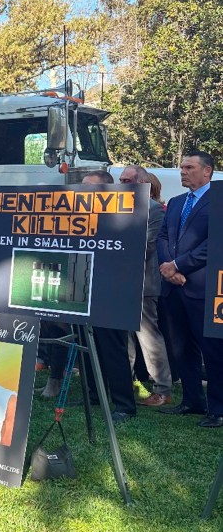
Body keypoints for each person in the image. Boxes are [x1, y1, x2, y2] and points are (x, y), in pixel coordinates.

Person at [157, 151, 222, 428]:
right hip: (173, 288)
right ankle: (193, 400)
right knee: (181, 347)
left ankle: (217, 409)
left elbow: (214, 244)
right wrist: (166, 266)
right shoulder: (175, 202)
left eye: (189, 167)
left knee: (213, 349)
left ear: (207, 171)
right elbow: (162, 236)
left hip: (203, 288)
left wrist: (178, 265)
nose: (183, 171)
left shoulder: (218, 201)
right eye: (182, 167)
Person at [80, 170, 138, 425]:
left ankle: (124, 404)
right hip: (82, 289)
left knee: (113, 348)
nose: (81, 192)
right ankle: (93, 394)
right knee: (85, 344)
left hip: (112, 292)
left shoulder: (123, 215)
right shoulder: (78, 214)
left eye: (87, 187)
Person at [118, 164, 172, 406]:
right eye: (120, 180)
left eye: (127, 180)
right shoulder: (115, 206)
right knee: (123, 338)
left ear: (142, 183)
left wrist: (113, 246)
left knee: (149, 338)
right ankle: (126, 383)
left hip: (143, 283)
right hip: (117, 281)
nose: (122, 184)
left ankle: (163, 389)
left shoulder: (154, 209)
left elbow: (148, 246)